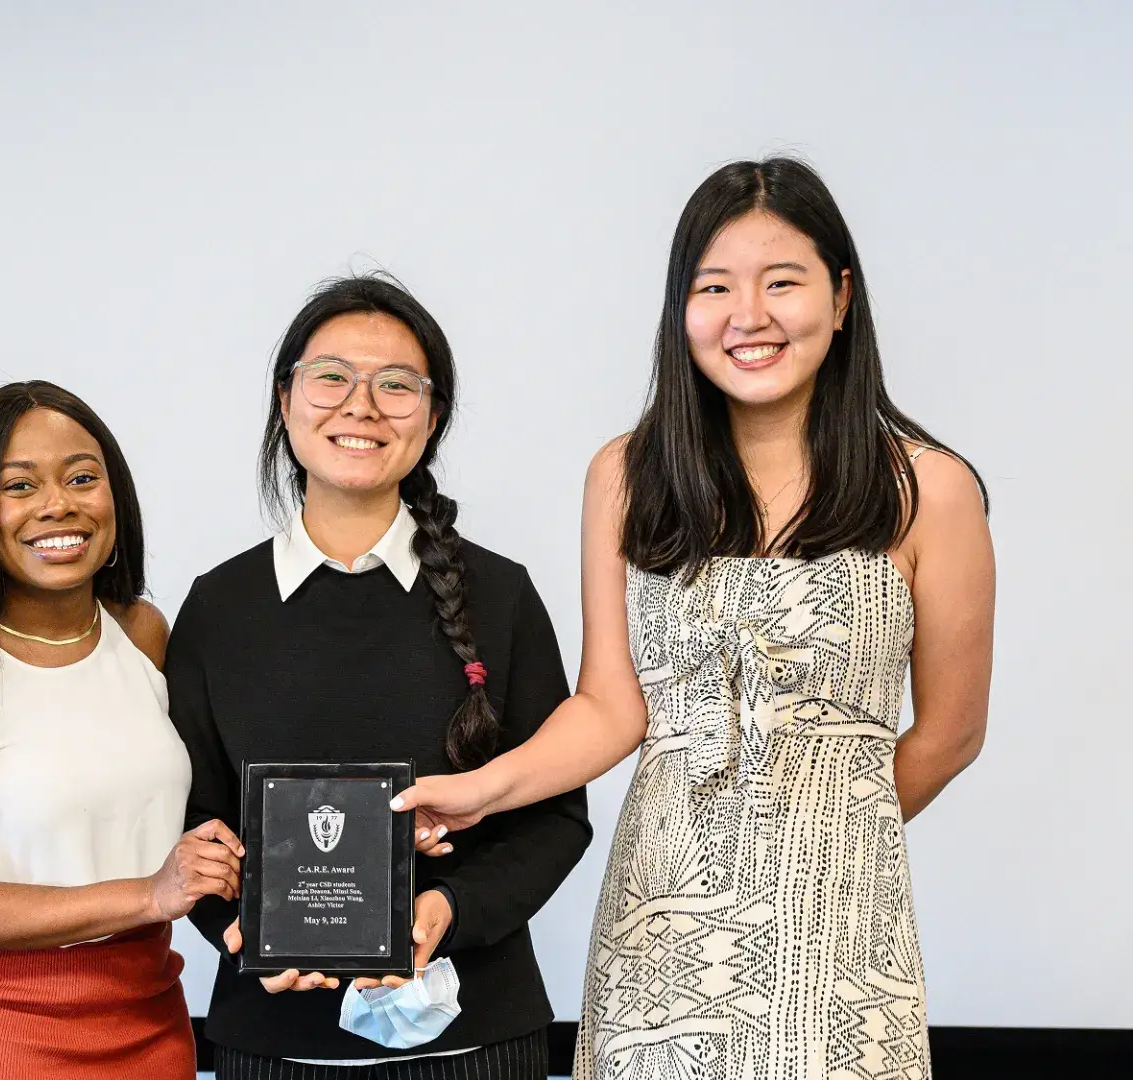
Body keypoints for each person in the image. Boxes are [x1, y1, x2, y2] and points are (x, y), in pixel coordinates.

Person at [392, 158, 995, 1080]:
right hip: (659, 917)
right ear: (683, 310)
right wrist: (481, 789)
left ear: (840, 299)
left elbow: (950, 734)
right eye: (714, 287)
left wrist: (827, 834)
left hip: (838, 933)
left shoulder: (930, 490)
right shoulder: (625, 476)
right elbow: (610, 708)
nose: (747, 316)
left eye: (781, 282)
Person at [167, 274, 593, 1079]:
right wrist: (236, 922)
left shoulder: (500, 595)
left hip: (474, 1041)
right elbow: (191, 817)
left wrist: (446, 911)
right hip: (272, 1044)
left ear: (432, 419)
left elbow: (554, 820)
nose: (360, 405)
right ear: (285, 399)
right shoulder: (218, 607)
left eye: (397, 385)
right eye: (332, 376)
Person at [0, 381, 238, 1078]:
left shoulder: (144, 634)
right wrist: (150, 894)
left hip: (148, 1011)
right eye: (19, 486)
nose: (58, 505)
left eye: (82, 478)